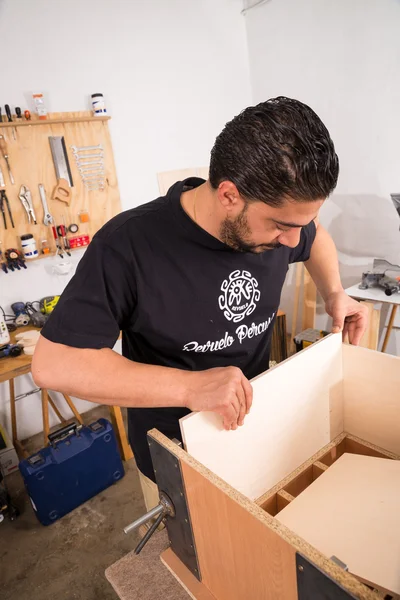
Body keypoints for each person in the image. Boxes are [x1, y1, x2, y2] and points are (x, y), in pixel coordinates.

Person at [32, 97, 368, 512]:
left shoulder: (285, 225)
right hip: (177, 451)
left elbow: (315, 236)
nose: (293, 241)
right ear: (229, 195)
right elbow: (54, 363)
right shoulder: (129, 245)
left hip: (251, 430)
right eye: (282, 226)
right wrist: (191, 387)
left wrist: (334, 291)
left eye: (299, 225)